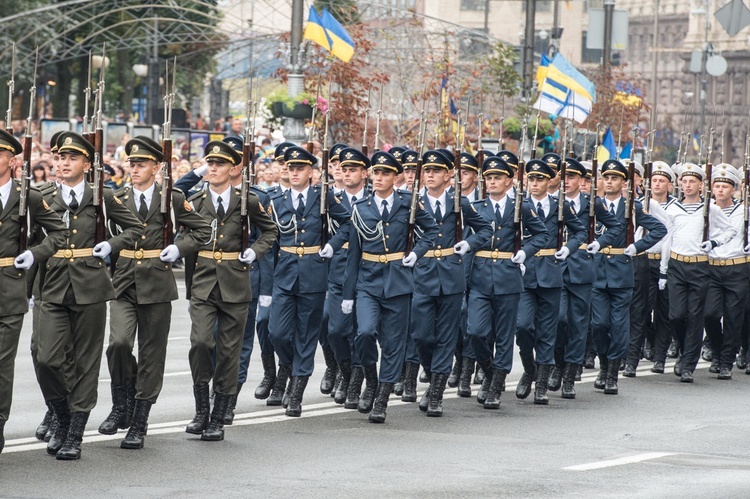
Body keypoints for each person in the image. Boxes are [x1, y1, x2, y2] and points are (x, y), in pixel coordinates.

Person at [98, 136, 212, 449]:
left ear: (156, 167)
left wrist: (179, 247)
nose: (134, 168)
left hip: (158, 283)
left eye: (141, 164)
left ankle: (140, 419)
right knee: (119, 344)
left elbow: (202, 230)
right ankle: (121, 402)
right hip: (123, 280)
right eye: (131, 163)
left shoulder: (171, 197)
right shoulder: (116, 196)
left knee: (151, 354)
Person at [36, 131, 143, 460]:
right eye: (60, 158)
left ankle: (75, 434)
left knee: (86, 363)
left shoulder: (103, 196)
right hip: (52, 285)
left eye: (71, 158)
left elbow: (135, 228)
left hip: (91, 286)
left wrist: (111, 245)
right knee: (47, 359)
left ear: (87, 163)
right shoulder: (41, 195)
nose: (64, 163)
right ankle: (62, 415)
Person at [184, 140, 277, 441]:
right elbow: (184, 234)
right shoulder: (196, 200)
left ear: (234, 168)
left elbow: (272, 231)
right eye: (210, 163)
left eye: (220, 164)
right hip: (203, 282)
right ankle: (201, 410)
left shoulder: (247, 200)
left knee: (228, 353)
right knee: (200, 342)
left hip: (236, 284)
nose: (213, 168)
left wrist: (255, 251)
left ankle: (218, 416)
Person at [343, 150, 438, 423]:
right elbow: (353, 255)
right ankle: (370, 381)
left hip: (398, 281)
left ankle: (382, 399)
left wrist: (417, 253)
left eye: (385, 173)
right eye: (376, 173)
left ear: (395, 178)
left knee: (394, 344)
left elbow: (430, 231)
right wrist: (348, 293)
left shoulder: (408, 204)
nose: (379, 177)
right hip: (368, 281)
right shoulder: (360, 208)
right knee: (364, 332)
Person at [267, 146, 352, 417]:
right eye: (290, 168)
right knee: (277, 333)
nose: (294, 173)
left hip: (314, 274)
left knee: (306, 335)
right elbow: (271, 240)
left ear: (311, 173)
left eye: (300, 168)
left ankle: (297, 392)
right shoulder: (276, 200)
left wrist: (333, 245)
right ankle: (289, 367)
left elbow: (349, 223)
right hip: (284, 274)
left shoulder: (323, 197)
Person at [0, 129, 68, 454]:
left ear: (12, 160)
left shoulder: (26, 196)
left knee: (2, 363)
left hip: (9, 289)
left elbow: (59, 231)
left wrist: (35, 253)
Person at [410, 150, 492, 416]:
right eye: (427, 171)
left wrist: (468, 244)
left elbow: (486, 229)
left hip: (451, 275)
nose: (430, 175)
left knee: (446, 337)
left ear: (448, 175)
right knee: (422, 336)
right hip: (421, 274)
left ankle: (436, 393)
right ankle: (431, 373)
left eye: (436, 171)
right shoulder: (413, 202)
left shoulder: (459, 203)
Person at [466, 156, 548, 410]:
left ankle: (496, 385)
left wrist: (526, 251)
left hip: (508, 276)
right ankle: (490, 374)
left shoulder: (519, 207)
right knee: (476, 332)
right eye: (488, 178)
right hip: (479, 276)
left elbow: (542, 234)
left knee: (503, 335)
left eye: (497, 177)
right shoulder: (476, 207)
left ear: (509, 180)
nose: (492, 181)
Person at [515, 158, 587, 405]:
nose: (534, 184)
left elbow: (580, 231)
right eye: (531, 179)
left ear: (550, 181)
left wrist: (569, 248)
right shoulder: (519, 206)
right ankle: (529, 369)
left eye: (540, 179)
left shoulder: (560, 206)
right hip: (524, 274)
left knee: (550, 328)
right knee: (523, 326)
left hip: (551, 272)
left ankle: (542, 385)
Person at [591, 159, 666, 395]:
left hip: (623, 270)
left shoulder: (631, 208)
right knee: (599, 324)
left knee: (619, 324)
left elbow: (660, 229)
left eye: (615, 178)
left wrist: (638, 246)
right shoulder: (594, 206)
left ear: (624, 182)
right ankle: (603, 364)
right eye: (606, 177)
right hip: (598, 270)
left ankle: (612, 372)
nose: (610, 182)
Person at [552, 157, 622, 399]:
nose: (567, 181)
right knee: (559, 320)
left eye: (572, 177)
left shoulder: (591, 204)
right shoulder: (552, 202)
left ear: (581, 180)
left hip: (581, 270)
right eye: (564, 177)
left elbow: (615, 227)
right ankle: (557, 365)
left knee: (579, 325)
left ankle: (570, 375)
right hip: (555, 269)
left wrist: (599, 243)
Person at [328, 147, 369, 407]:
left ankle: (356, 381)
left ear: (365, 173)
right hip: (337, 268)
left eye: (352, 169)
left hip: (366, 269)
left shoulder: (373, 200)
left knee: (361, 331)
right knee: (335, 330)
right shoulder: (331, 199)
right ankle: (346, 372)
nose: (347, 173)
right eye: (344, 169)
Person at [703, 165, 747, 380]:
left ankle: (726, 360)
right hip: (712, 267)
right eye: (717, 186)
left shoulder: (743, 210)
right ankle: (717, 349)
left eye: (725, 186)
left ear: (734, 189)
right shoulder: (706, 209)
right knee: (709, 313)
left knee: (733, 317)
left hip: (737, 267)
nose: (720, 190)